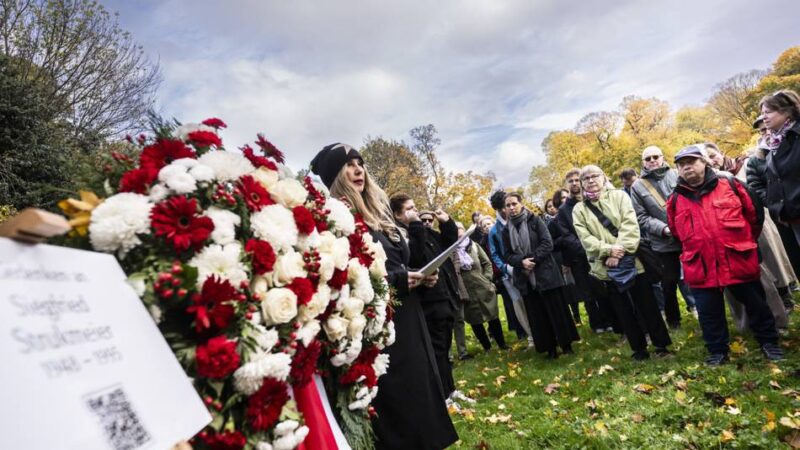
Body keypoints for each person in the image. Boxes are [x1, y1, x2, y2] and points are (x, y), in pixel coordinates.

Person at [310, 143, 457, 450]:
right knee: (404, 411)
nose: (358, 169)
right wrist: (402, 279)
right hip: (384, 331)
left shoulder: (377, 213)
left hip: (411, 316)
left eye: (359, 162)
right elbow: (349, 277)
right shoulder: (335, 221)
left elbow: (397, 264)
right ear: (335, 176)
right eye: (348, 165)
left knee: (423, 399)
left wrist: (421, 275)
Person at [667, 145, 782, 365]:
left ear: (705, 163)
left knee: (756, 304)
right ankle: (717, 351)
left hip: (736, 258)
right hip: (701, 265)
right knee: (709, 312)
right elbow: (675, 231)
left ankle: (769, 342)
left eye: (692, 161)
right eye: (682, 165)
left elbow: (754, 215)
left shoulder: (730, 184)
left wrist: (744, 242)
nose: (687, 167)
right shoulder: (674, 199)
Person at [572, 165, 673, 360]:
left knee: (647, 305)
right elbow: (585, 238)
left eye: (594, 176)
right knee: (623, 310)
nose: (591, 181)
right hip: (606, 267)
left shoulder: (620, 197)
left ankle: (661, 346)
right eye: (586, 178)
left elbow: (630, 226)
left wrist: (617, 253)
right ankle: (639, 350)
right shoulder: (579, 209)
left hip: (634, 262)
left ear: (603, 177)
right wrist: (607, 250)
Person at [389, 193, 462, 408]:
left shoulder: (427, 232)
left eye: (414, 207)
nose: (415, 212)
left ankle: (451, 388)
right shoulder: (402, 236)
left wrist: (446, 222)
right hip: (427, 302)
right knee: (437, 351)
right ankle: (443, 395)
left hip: (443, 296)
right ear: (397, 215)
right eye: (409, 209)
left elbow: (449, 243)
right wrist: (416, 226)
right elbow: (417, 258)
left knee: (445, 349)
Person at [502, 192, 579, 359]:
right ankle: (550, 348)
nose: (511, 208)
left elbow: (547, 242)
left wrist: (533, 260)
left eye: (514, 203)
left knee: (556, 311)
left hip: (546, 272)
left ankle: (566, 346)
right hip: (525, 277)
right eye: (508, 205)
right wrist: (521, 262)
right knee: (538, 315)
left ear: (521, 204)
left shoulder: (535, 220)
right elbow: (507, 254)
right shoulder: (505, 230)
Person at [630, 145, 696, 329]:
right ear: (643, 163)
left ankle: (699, 308)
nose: (652, 161)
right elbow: (641, 217)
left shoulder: (677, 174)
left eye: (655, 157)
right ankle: (673, 319)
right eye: (648, 158)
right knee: (669, 282)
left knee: (697, 274)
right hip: (663, 241)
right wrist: (664, 229)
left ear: (662, 157)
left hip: (689, 235)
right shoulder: (637, 186)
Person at [552, 168, 616, 333]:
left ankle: (611, 320)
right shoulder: (564, 210)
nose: (574, 183)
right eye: (571, 181)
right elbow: (566, 235)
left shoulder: (593, 200)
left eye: (576, 180)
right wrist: (585, 249)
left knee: (604, 289)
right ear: (567, 184)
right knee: (587, 293)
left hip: (600, 252)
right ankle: (597, 323)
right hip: (578, 257)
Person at [746, 115, 800, 309]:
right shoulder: (756, 160)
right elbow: (755, 186)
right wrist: (774, 202)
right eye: (761, 131)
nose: (766, 133)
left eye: (767, 128)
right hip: (780, 216)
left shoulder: (791, 146)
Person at [454, 221, 508, 352]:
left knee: (492, 315)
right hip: (465, 289)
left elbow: (487, 263)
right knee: (474, 319)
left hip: (482, 285)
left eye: (460, 228)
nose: (459, 231)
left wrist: (487, 279)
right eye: (455, 229)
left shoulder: (474, 246)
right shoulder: (450, 251)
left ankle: (502, 344)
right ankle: (487, 347)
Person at [487, 190, 533, 345]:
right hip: (510, 273)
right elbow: (495, 255)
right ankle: (530, 336)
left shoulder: (523, 219)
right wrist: (507, 268)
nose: (507, 210)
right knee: (518, 303)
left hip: (529, 266)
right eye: (503, 208)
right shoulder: (494, 230)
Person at [760, 90, 800, 247]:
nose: (764, 117)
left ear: (786, 111)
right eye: (762, 113)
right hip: (791, 217)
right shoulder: (773, 143)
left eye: (768, 112)